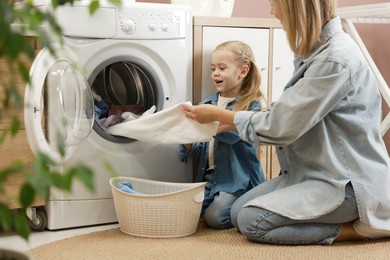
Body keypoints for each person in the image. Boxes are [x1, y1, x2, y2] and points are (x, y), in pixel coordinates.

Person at [181, 0, 390, 245]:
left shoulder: (334, 59)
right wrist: (232, 122)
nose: (271, 11)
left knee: (252, 220)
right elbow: (291, 113)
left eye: (274, 3)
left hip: (344, 185)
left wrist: (219, 115)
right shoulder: (314, 52)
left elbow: (280, 126)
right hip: (308, 174)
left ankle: (359, 229)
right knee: (238, 213)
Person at [178, 41, 266, 229]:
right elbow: (194, 150)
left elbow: (231, 136)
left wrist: (207, 122)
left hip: (238, 181)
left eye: (222, 68)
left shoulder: (251, 106)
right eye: (213, 68)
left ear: (242, 72)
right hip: (211, 179)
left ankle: (251, 202)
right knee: (187, 213)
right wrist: (186, 137)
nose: (215, 73)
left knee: (215, 218)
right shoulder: (207, 103)